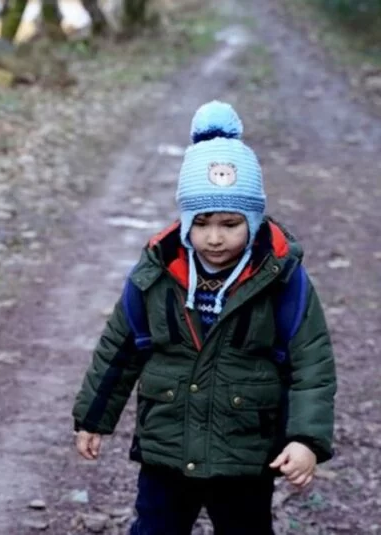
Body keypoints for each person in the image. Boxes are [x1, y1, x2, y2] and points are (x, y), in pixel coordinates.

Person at [71, 101, 337, 534]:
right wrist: (93, 418)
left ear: (253, 220)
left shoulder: (282, 280)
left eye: (230, 224)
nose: (214, 237)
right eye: (202, 223)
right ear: (185, 222)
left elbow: (312, 366)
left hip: (245, 452)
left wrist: (305, 440)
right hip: (167, 446)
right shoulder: (156, 273)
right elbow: (119, 347)